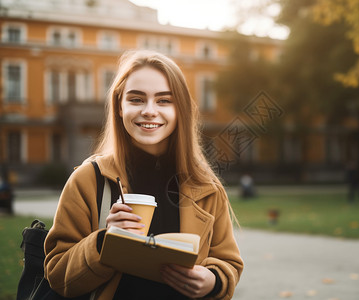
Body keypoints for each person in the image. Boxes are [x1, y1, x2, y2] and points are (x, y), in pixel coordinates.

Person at [44, 50, 243, 300]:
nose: (149, 111)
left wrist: (212, 281)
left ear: (180, 109)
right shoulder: (88, 179)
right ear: (119, 106)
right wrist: (104, 243)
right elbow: (57, 276)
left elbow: (228, 262)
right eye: (136, 99)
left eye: (164, 101)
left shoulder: (206, 186)